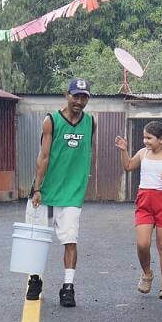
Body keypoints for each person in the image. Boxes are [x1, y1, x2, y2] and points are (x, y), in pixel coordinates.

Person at [25, 78, 96, 307]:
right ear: (67, 95)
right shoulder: (52, 121)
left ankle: (68, 287)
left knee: (70, 241)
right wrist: (37, 188)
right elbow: (43, 157)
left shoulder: (90, 123)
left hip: (71, 196)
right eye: (75, 96)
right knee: (37, 241)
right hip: (45, 194)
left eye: (83, 97)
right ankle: (35, 280)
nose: (79, 101)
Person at [114, 121, 162, 299]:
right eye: (144, 137)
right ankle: (147, 273)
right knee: (143, 243)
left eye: (149, 138)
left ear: (161, 139)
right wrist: (123, 150)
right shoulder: (143, 153)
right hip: (144, 202)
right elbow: (128, 166)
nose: (145, 141)